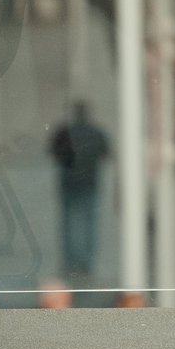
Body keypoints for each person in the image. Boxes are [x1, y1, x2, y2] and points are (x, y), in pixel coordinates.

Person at [49, 102, 110, 278]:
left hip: (69, 183)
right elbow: (105, 154)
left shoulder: (64, 132)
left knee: (68, 223)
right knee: (89, 223)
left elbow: (53, 153)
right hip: (90, 182)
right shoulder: (96, 132)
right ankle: (86, 262)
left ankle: (70, 261)